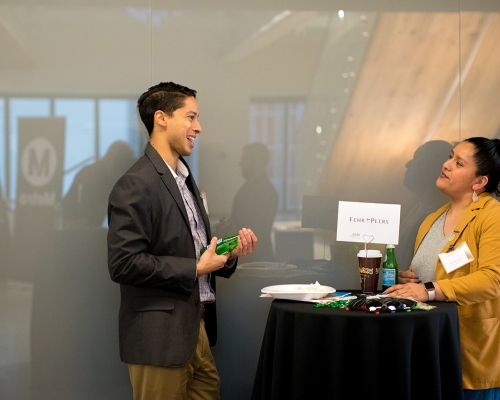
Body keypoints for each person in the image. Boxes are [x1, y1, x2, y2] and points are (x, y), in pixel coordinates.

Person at [107, 81, 258, 399]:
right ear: (161, 118)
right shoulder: (136, 183)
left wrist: (226, 255)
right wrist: (197, 267)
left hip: (198, 332)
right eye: (190, 117)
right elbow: (124, 264)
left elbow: (194, 251)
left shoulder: (184, 179)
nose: (198, 127)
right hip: (160, 340)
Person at [385, 137, 500, 399]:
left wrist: (429, 290)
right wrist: (409, 280)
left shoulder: (493, 216)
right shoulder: (431, 219)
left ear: (479, 182)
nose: (446, 165)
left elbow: (494, 279)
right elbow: (430, 276)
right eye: (450, 157)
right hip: (431, 350)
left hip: (470, 356)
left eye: (458, 163)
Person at [63, 140, 136, 228]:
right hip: (78, 227)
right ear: (110, 156)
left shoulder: (113, 176)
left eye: (127, 161)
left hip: (93, 227)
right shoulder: (89, 175)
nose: (123, 166)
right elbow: (76, 220)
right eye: (121, 160)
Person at [229, 142, 278, 262]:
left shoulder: (265, 192)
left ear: (257, 162)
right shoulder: (251, 188)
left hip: (255, 261)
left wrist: (225, 248)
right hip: (251, 258)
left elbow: (255, 232)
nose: (240, 163)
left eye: (245, 159)